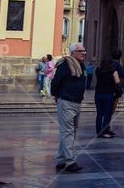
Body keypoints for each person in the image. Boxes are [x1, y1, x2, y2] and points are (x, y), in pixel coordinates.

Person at [51, 43, 87, 173]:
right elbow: (55, 82)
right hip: (66, 102)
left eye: (84, 50)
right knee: (68, 132)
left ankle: (61, 160)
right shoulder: (65, 65)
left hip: (77, 102)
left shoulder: (81, 65)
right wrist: (55, 95)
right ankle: (70, 161)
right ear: (73, 53)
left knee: (71, 132)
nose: (83, 53)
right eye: (80, 51)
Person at [94, 55, 120, 138]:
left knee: (99, 113)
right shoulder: (113, 71)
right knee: (107, 114)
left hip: (98, 94)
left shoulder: (98, 70)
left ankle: (98, 131)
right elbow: (117, 81)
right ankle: (105, 131)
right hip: (108, 94)